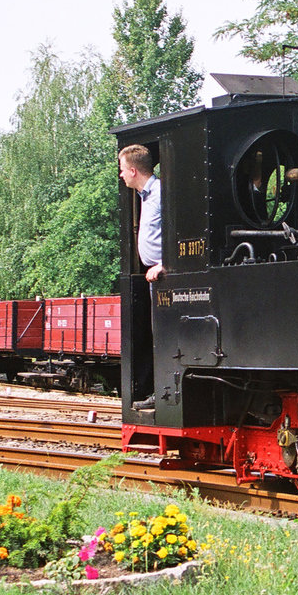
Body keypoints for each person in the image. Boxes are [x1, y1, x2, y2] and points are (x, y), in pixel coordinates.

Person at [118, 144, 163, 410]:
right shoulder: (146, 195)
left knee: (163, 335)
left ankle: (162, 394)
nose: (121, 175)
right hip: (152, 276)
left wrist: (165, 263)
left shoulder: (159, 193)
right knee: (155, 333)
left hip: (162, 274)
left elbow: (180, 230)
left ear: (133, 170)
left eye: (122, 170)